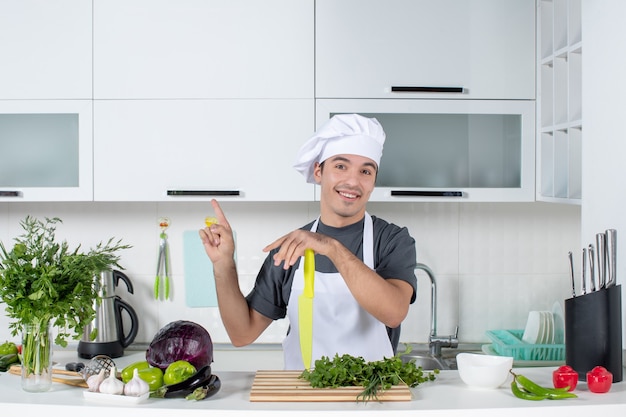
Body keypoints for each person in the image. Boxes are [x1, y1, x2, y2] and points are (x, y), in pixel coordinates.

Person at [199, 113, 417, 370]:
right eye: (340, 166)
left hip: (372, 401)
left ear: (373, 182)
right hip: (302, 397)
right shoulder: (291, 248)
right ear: (318, 171)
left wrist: (332, 248)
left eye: (366, 171)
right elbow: (241, 334)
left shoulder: (391, 240)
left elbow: (394, 313)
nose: (353, 181)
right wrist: (224, 264)